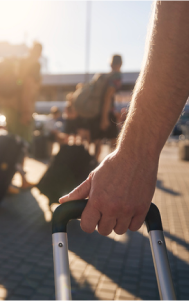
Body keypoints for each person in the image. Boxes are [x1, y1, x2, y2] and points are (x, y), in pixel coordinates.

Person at [59, 0, 189, 236]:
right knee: (105, 140)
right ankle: (101, 165)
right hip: (104, 115)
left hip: (99, 115)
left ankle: (97, 164)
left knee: (98, 142)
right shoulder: (116, 76)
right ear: (120, 63)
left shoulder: (106, 74)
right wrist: (132, 160)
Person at [0, 42, 43, 191]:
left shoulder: (21, 63)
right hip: (21, 110)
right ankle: (11, 181)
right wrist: (26, 111)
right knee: (21, 146)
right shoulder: (34, 64)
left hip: (10, 109)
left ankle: (13, 180)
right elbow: (28, 86)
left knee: (12, 145)